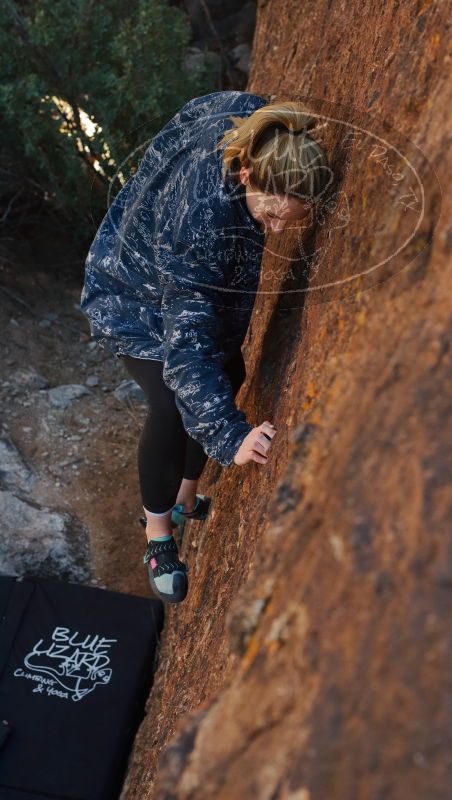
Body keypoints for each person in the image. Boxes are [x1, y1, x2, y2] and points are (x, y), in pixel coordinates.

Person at [80, 90, 330, 604]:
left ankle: (185, 498)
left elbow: (197, 109)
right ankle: (157, 536)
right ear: (246, 178)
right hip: (132, 294)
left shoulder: (257, 127)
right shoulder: (201, 222)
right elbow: (187, 348)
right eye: (272, 215)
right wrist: (228, 433)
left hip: (166, 262)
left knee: (229, 374)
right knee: (174, 403)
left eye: (292, 220)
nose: (280, 229)